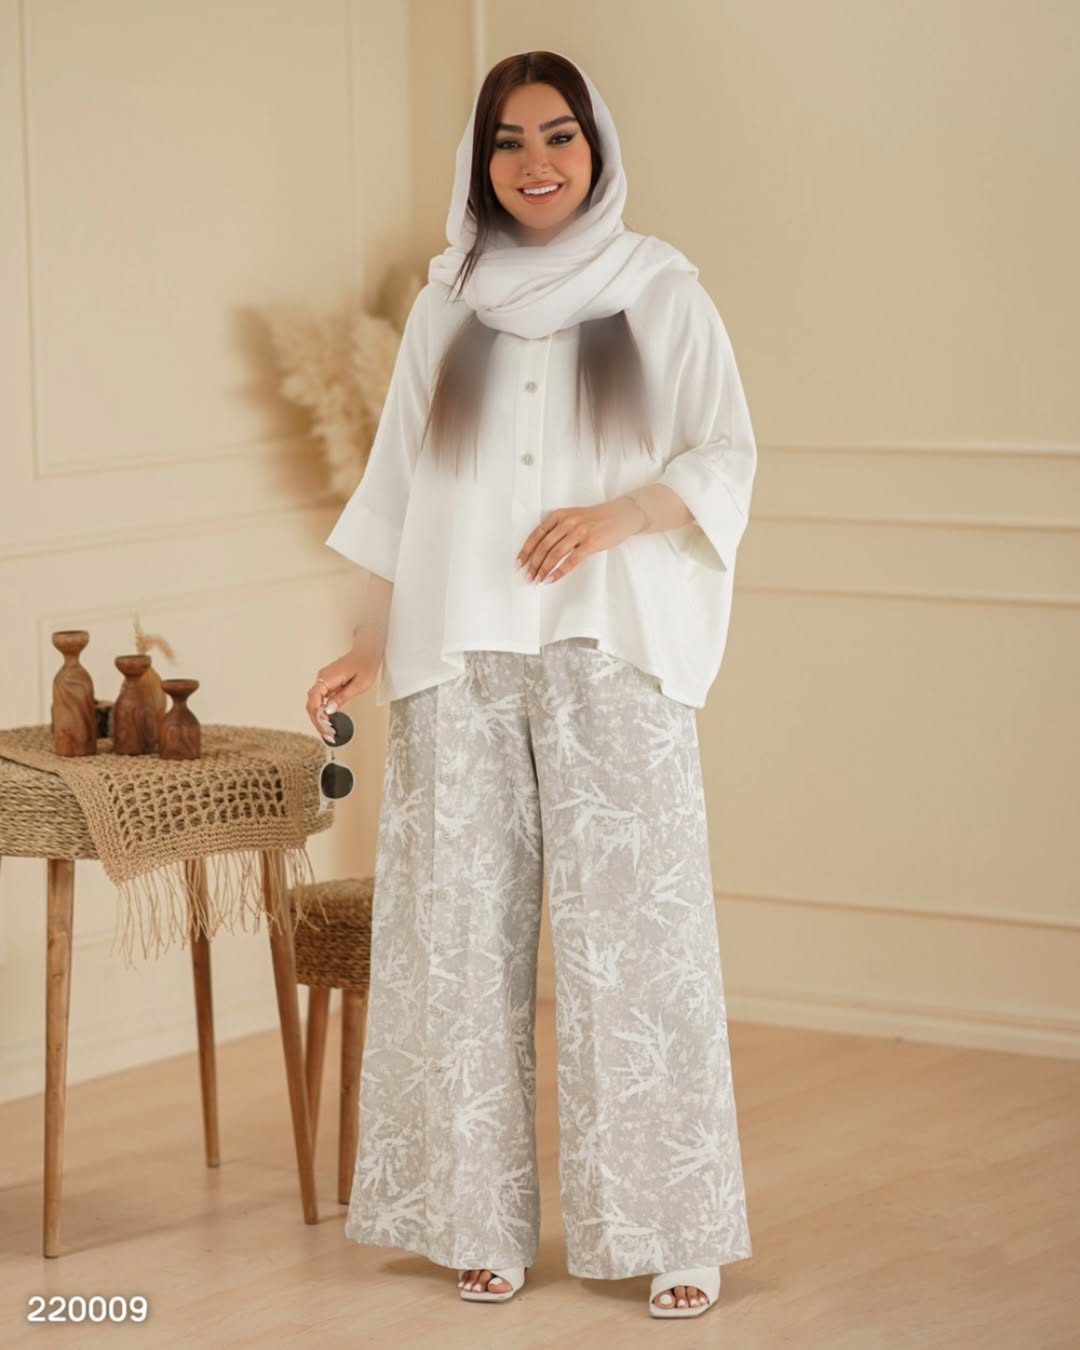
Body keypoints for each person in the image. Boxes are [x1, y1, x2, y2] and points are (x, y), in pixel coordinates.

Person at [305, 49, 755, 1321]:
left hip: (612, 651)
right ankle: (472, 1220)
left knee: (638, 949)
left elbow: (726, 451)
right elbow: (400, 493)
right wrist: (370, 641)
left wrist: (620, 515)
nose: (536, 162)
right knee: (455, 946)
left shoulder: (659, 289)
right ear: (480, 161)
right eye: (508, 141)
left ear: (595, 148)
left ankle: (673, 1231)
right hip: (456, 657)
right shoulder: (446, 304)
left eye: (559, 135)